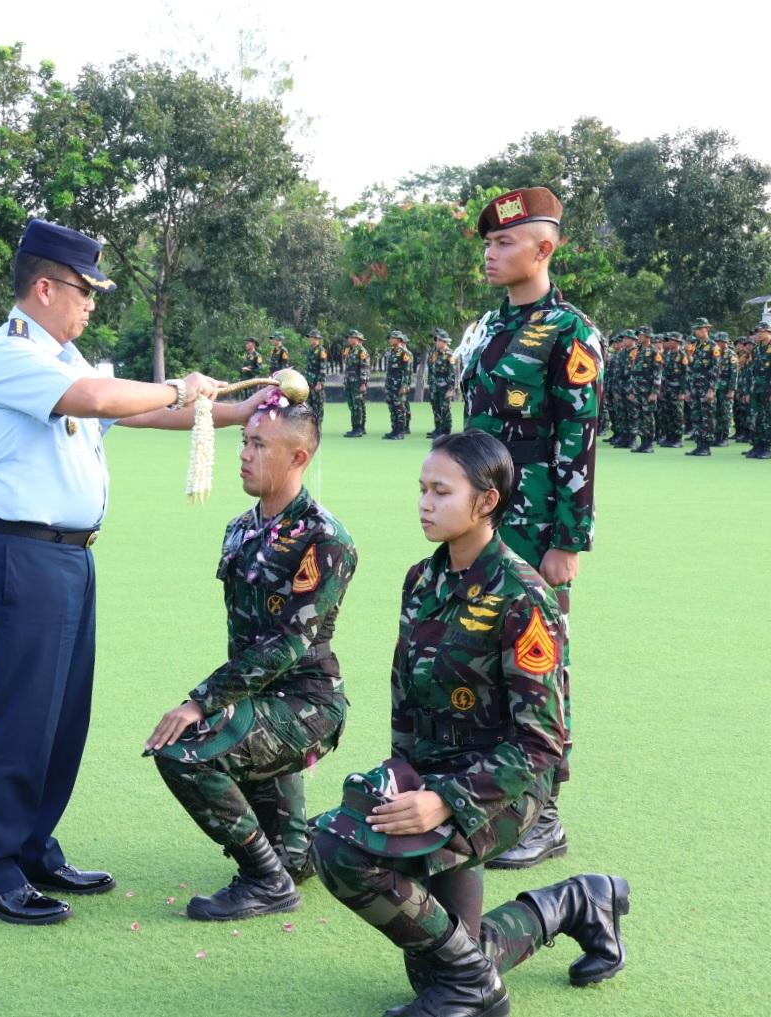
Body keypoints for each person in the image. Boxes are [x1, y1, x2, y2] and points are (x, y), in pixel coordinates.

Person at [0, 218, 266, 925]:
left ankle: (32, 846)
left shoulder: (66, 358)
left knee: (61, 716)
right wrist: (178, 385)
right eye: (83, 289)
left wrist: (238, 410)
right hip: (21, 553)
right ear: (43, 287)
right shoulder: (8, 354)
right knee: (18, 716)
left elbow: (133, 416)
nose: (91, 303)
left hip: (67, 555)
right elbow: (101, 401)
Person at [311, 431, 629, 1017]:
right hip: (433, 776)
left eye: (440, 491)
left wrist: (445, 803)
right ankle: (579, 902)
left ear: (486, 502)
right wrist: (403, 779)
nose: (424, 503)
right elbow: (406, 698)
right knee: (443, 955)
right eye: (422, 490)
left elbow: (540, 744)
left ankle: (473, 989)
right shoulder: (421, 580)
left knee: (341, 850)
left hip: (504, 789)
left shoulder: (525, 596)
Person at [146, 394, 353, 921]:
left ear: (298, 457)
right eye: (244, 441)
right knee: (295, 856)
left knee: (184, 749)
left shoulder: (324, 540)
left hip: (307, 705)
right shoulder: (241, 527)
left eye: (258, 444)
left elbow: (288, 645)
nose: (243, 453)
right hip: (259, 701)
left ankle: (264, 881)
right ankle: (292, 855)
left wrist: (202, 702)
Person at [456, 187, 602, 869]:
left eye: (505, 242)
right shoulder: (488, 327)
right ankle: (490, 802)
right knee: (477, 654)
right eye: (488, 243)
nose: (492, 252)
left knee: (537, 662)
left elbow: (578, 438)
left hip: (536, 522)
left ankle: (543, 813)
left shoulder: (572, 332)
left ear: (544, 249)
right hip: (477, 521)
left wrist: (567, 540)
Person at [741, 321, 771, 459]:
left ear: (768, 332)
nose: (756, 335)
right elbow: (751, 372)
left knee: (768, 419)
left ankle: (766, 448)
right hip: (756, 390)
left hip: (769, 390)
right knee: (756, 418)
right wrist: (748, 391)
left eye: (759, 332)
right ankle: (757, 445)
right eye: (756, 332)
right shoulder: (756, 349)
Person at [685, 318, 719, 456]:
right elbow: (691, 368)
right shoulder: (695, 346)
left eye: (700, 329)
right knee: (696, 416)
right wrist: (688, 389)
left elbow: (716, 369)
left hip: (706, 388)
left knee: (707, 416)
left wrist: (711, 389)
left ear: (707, 329)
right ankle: (699, 444)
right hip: (695, 387)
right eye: (696, 329)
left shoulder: (713, 346)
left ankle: (706, 445)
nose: (697, 332)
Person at [628, 327, 662, 454]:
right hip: (637, 390)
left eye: (641, 335)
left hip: (648, 391)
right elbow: (634, 371)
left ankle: (648, 443)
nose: (639, 337)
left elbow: (658, 372)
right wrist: (632, 390)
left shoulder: (654, 351)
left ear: (648, 336)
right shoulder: (637, 351)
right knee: (640, 416)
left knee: (648, 416)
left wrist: (654, 392)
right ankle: (643, 442)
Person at [383, 329, 414, 439]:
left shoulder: (404, 353)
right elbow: (389, 370)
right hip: (391, 384)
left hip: (399, 385)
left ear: (399, 339)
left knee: (399, 408)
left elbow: (407, 371)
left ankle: (400, 431)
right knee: (392, 407)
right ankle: (394, 430)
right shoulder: (392, 352)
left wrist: (404, 385)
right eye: (390, 338)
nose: (390, 340)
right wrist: (386, 383)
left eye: (392, 338)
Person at [426, 329, 457, 438]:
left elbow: (452, 373)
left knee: (445, 408)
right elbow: (431, 369)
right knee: (435, 407)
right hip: (434, 385)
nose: (436, 342)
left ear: (444, 342)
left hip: (444, 386)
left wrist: (451, 389)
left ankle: (446, 430)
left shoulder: (449, 354)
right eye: (436, 340)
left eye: (438, 340)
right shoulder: (433, 353)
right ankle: (438, 428)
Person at [342, 329, 370, 437]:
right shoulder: (349, 350)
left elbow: (364, 368)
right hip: (350, 382)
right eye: (349, 337)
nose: (349, 339)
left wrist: (363, 383)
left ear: (357, 339)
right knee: (352, 405)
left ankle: (358, 428)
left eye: (351, 337)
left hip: (357, 383)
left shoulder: (361, 351)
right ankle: (357, 427)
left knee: (357, 405)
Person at [713, 330, 736, 447]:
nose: (716, 343)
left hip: (726, 389)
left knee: (725, 413)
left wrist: (732, 390)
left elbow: (734, 373)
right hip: (715, 388)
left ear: (724, 342)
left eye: (718, 341)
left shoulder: (731, 354)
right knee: (716, 413)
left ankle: (724, 437)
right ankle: (717, 436)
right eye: (715, 341)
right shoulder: (715, 354)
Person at [302, 328, 328, 424]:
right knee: (309, 403)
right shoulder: (311, 350)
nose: (310, 339)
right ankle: (311, 423)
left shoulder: (321, 351)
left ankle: (318, 425)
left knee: (318, 404)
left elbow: (323, 368)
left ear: (317, 339)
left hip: (316, 382)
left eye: (312, 338)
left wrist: (320, 383)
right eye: (310, 338)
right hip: (309, 382)